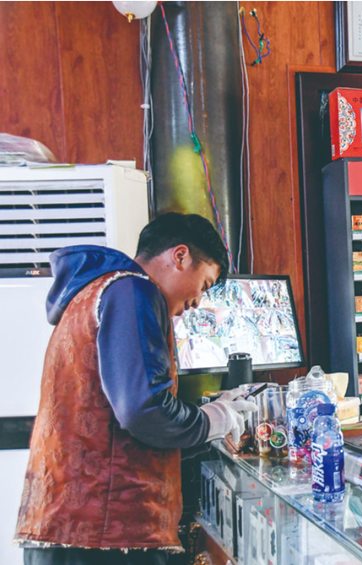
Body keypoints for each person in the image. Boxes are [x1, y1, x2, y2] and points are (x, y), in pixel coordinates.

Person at [14, 213, 257, 565]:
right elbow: (143, 409)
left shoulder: (94, 292)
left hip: (71, 525)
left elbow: (115, 424)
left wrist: (207, 422)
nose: (197, 302)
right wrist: (211, 420)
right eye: (204, 285)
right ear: (180, 256)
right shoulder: (133, 291)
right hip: (107, 533)